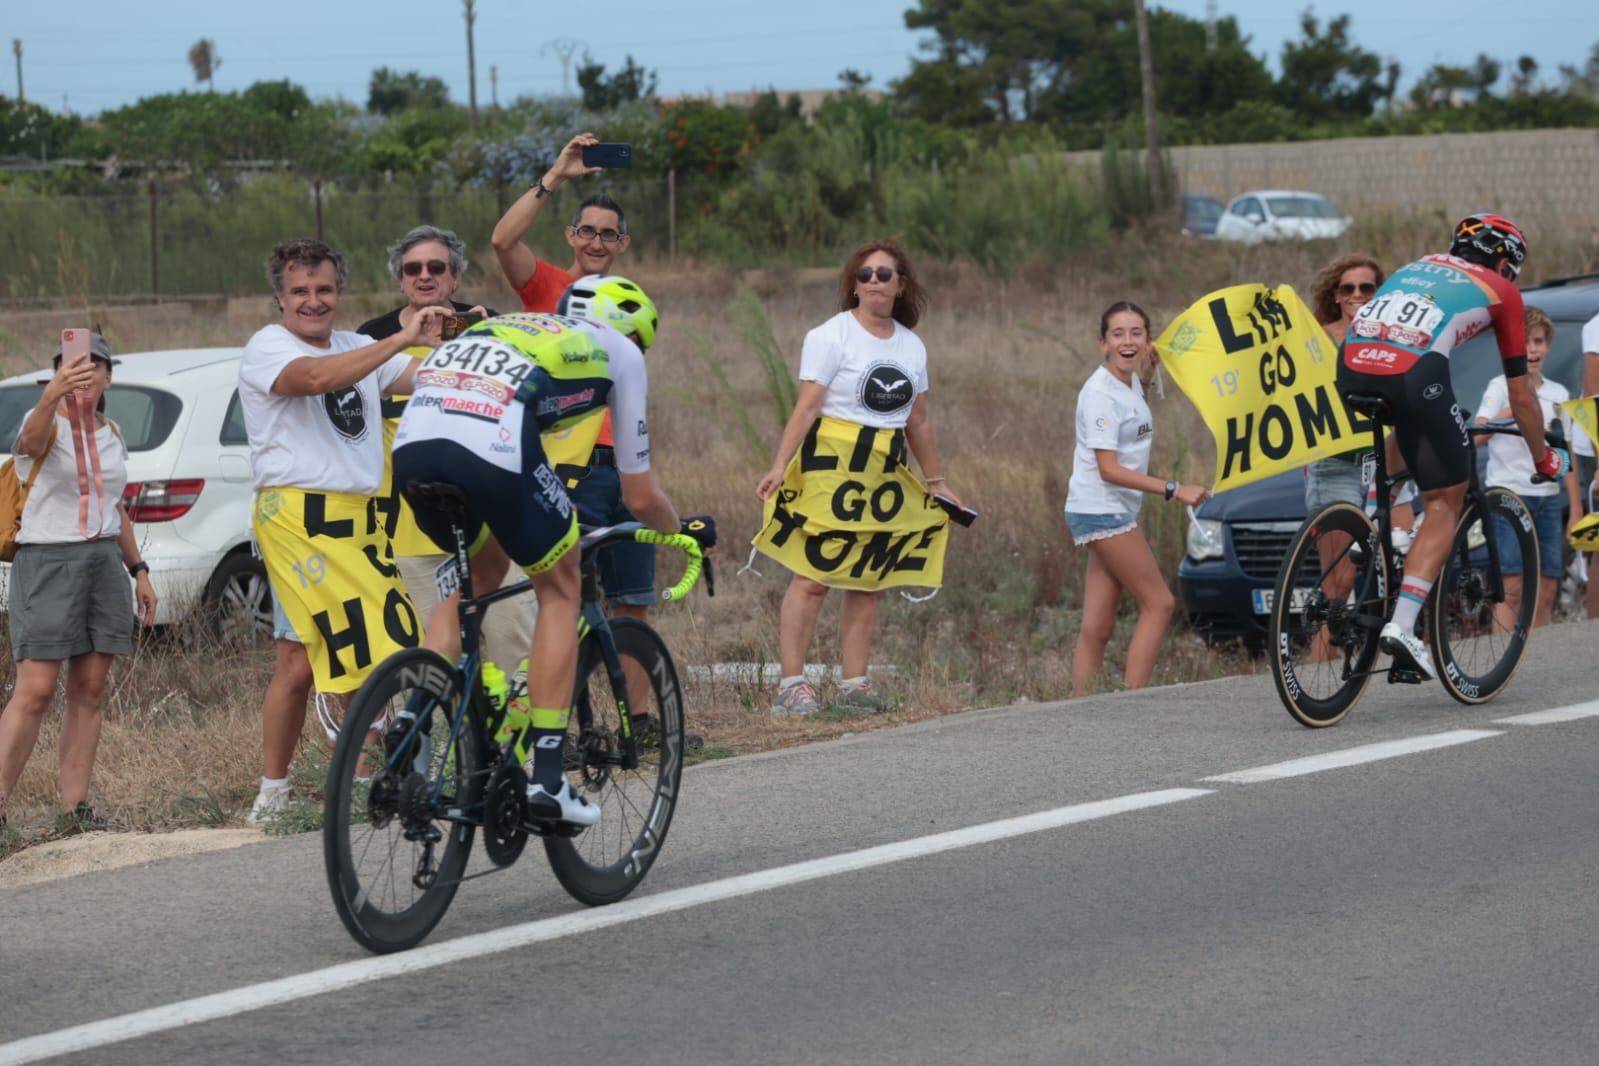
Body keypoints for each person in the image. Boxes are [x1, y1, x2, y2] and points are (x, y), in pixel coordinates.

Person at [392, 299, 710, 826]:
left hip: (416, 444)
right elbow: (641, 495)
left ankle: (414, 714)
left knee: (479, 576)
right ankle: (548, 779)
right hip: (489, 443)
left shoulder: (511, 324)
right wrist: (683, 534)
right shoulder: (623, 357)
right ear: (634, 335)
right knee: (560, 587)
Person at [239, 239, 443, 824]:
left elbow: (422, 375)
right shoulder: (267, 347)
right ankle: (281, 790)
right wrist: (401, 339)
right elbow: (314, 378)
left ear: (339, 293)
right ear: (279, 297)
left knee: (304, 661)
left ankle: (350, 772)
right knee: (363, 645)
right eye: (299, 291)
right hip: (300, 520)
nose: (313, 301)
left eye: (324, 289)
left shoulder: (359, 346)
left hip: (361, 519)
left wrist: (479, 346)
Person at [1336, 213, 1565, 678]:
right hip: (1414, 375)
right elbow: (1521, 395)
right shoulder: (1502, 290)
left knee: (1407, 421)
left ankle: (1379, 524)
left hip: (1351, 368)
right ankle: (1402, 626)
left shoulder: (1414, 266)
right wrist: (1543, 457)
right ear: (1506, 263)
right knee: (1445, 503)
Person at [755, 239, 959, 716]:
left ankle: (855, 683)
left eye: (883, 274)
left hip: (884, 468)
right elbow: (807, 406)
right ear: (853, 284)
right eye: (864, 274)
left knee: (869, 577)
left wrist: (937, 482)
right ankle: (791, 685)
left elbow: (919, 421)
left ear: (900, 285)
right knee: (814, 574)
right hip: (833, 462)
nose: (873, 282)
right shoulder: (831, 336)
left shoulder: (912, 344)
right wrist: (779, 465)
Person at [491, 134, 656, 637]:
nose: (596, 243)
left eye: (608, 235)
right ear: (571, 235)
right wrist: (556, 176)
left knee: (632, 601)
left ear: (622, 244)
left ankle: (641, 716)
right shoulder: (545, 287)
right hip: (563, 465)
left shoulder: (630, 302)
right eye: (587, 231)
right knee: (565, 600)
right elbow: (503, 241)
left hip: (622, 465)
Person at [352, 225, 531, 676]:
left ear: (455, 278)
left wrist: (487, 342)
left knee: (513, 640)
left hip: (492, 520)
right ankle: (436, 747)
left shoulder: (490, 325)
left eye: (437, 267)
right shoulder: (372, 338)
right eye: (413, 269)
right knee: (425, 657)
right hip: (410, 529)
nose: (425, 276)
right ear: (400, 279)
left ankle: (525, 745)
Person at [0, 333, 157, 837]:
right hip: (47, 561)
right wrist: (52, 395)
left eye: (94, 369)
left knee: (89, 689)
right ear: (56, 376)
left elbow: (117, 508)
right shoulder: (44, 424)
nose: (84, 377)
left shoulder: (111, 432)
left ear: (109, 377)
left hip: (102, 560)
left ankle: (75, 809)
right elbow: (28, 445)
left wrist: (139, 570)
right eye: (72, 369)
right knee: (36, 689)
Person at [1065, 302, 1209, 696]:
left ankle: (1080, 711)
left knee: (1099, 626)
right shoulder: (1099, 394)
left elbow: (1134, 418)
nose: (1127, 341)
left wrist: (1146, 380)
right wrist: (1173, 489)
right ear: (1102, 343)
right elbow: (1108, 468)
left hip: (1110, 510)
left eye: (1136, 333)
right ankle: (1133, 703)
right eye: (1118, 334)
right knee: (1160, 604)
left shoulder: (1129, 384)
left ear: (1148, 340)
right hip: (1102, 510)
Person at [1472, 307, 1581, 629]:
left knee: (1547, 585)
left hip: (1547, 498)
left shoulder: (1558, 394)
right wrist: (1516, 409)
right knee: (1512, 586)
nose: (1532, 350)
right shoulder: (1499, 386)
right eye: (1524, 343)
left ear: (1547, 345)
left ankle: (1537, 658)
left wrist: (1575, 508)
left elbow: (1566, 454)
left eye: (1538, 342)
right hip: (1508, 494)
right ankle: (1504, 659)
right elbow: (1477, 435)